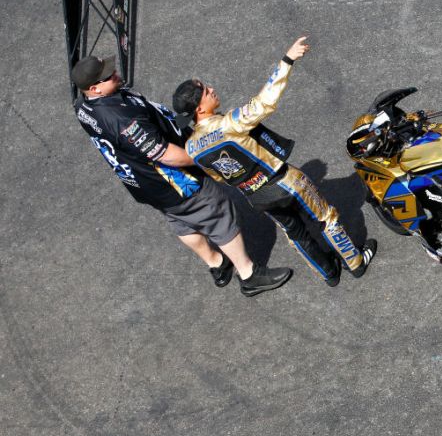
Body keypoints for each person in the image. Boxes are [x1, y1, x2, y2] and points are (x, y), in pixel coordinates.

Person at [72, 55, 293, 297]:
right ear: (95, 88)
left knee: (182, 222)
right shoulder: (121, 120)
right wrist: (203, 152)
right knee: (217, 213)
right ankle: (249, 275)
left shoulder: (84, 107)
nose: (115, 73)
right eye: (108, 75)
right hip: (177, 182)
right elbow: (165, 155)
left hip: (146, 185)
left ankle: (217, 263)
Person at [171, 35, 375, 287]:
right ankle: (355, 262)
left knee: (295, 233)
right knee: (326, 218)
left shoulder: (191, 147)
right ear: (199, 108)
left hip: (256, 196)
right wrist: (287, 60)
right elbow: (264, 103)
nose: (212, 89)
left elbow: (217, 175)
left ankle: (328, 274)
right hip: (285, 180)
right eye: (205, 91)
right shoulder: (228, 123)